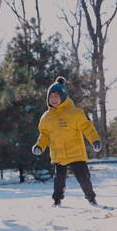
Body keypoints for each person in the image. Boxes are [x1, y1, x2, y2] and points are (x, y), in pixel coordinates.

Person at [32, 76, 102, 207]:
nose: (53, 99)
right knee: (59, 180)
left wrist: (95, 141)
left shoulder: (75, 113)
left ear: (63, 96)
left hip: (75, 153)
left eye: (56, 96)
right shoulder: (46, 117)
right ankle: (57, 200)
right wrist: (40, 146)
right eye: (50, 97)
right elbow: (44, 134)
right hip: (58, 154)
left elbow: (88, 128)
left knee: (83, 178)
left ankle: (91, 198)